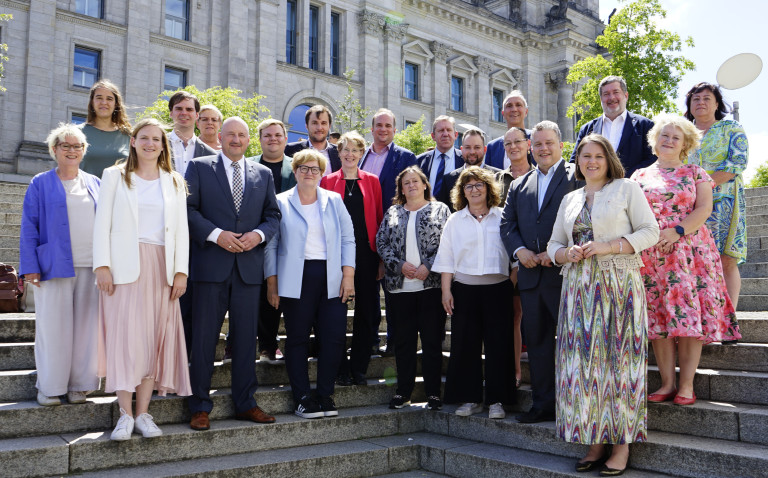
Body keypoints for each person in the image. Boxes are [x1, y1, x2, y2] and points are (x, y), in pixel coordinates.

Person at [549, 134, 659, 475]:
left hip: (619, 287)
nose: (591, 161)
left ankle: (621, 445)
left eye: (597, 156)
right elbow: (555, 242)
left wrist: (610, 246)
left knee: (620, 364)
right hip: (578, 289)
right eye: (585, 156)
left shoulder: (627, 188)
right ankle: (594, 440)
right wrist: (565, 253)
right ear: (578, 161)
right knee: (584, 368)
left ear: (608, 158)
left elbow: (650, 231)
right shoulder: (570, 198)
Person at [632, 114, 741, 409]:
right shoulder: (638, 177)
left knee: (688, 318)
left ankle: (687, 384)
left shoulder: (696, 172)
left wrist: (676, 230)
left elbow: (704, 209)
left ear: (685, 144)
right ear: (655, 140)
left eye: (675, 137)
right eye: (664, 136)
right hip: (651, 256)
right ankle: (667, 383)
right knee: (660, 319)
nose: (668, 141)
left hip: (689, 254)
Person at [93, 118, 191, 440]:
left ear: (164, 146)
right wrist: (102, 266)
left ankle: (143, 413)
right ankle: (124, 414)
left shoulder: (174, 181)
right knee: (125, 341)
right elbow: (102, 224)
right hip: (123, 268)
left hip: (161, 268)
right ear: (133, 141)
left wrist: (180, 271)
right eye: (144, 138)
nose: (151, 143)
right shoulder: (114, 176)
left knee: (152, 342)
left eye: (157, 139)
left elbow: (180, 230)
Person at [185, 117, 281, 431]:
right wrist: (215, 234)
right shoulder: (199, 167)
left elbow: (273, 215)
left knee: (244, 341)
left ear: (248, 140)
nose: (236, 140)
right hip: (211, 267)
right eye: (231, 134)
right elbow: (188, 210)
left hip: (248, 270)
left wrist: (258, 235)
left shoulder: (263, 174)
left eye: (242, 135)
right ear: (220, 137)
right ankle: (199, 406)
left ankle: (245, 403)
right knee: (203, 340)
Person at [265, 150, 355, 419]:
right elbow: (271, 244)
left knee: (334, 337)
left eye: (315, 169)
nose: (309, 173)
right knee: (297, 338)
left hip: (331, 276)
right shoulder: (280, 202)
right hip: (295, 277)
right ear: (295, 171)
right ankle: (302, 397)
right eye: (303, 168)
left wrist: (348, 276)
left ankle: (325, 394)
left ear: (322, 173)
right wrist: (272, 283)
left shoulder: (334, 200)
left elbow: (348, 239)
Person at [500, 120, 579, 424]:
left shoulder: (577, 176)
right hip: (531, 277)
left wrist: (555, 253)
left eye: (550, 143)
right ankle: (544, 404)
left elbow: (586, 218)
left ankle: (573, 403)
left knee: (572, 342)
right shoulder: (520, 184)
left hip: (566, 275)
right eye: (538, 144)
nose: (544, 149)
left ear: (561, 145)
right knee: (537, 343)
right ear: (530, 148)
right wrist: (519, 252)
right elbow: (507, 225)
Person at [19, 123, 101, 407]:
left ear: (84, 151)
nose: (71, 150)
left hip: (91, 267)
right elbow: (29, 226)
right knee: (53, 328)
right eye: (65, 145)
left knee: (86, 329)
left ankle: (79, 386)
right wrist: (30, 266)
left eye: (77, 146)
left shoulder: (95, 183)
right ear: (54, 150)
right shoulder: (40, 182)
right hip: (52, 267)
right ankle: (50, 387)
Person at [432, 166, 513, 419]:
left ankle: (497, 400)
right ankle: (470, 398)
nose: (474, 189)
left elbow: (514, 256)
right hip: (464, 290)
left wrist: (510, 283)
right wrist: (446, 291)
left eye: (479, 185)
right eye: (469, 186)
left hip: (498, 289)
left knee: (499, 346)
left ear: (489, 189)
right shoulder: (455, 221)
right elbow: (446, 257)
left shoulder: (503, 217)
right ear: (462, 192)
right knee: (465, 346)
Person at [376, 166, 449, 411]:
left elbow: (447, 242)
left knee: (431, 342)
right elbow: (381, 241)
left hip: (431, 286)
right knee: (404, 343)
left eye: (415, 181)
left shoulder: (441, 209)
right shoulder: (393, 212)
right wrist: (399, 264)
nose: (411, 185)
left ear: (425, 184)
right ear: (401, 189)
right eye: (406, 183)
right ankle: (403, 392)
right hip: (400, 288)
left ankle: (433, 394)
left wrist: (428, 265)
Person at [320, 131, 383, 386]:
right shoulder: (326, 181)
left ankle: (359, 367)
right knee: (334, 312)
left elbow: (378, 219)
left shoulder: (372, 181)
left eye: (355, 150)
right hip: (335, 255)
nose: (350, 154)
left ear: (361, 154)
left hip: (366, 255)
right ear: (339, 152)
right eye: (345, 149)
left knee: (367, 313)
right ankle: (339, 368)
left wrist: (379, 258)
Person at [684, 82, 749, 312]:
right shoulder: (682, 133)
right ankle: (705, 318)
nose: (701, 102)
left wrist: (703, 186)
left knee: (727, 259)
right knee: (697, 262)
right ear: (690, 106)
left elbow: (736, 164)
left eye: (706, 98)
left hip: (726, 204)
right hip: (690, 208)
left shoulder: (731, 128)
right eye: (696, 99)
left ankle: (729, 320)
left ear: (717, 104)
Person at [359, 108, 418, 355]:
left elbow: (412, 194)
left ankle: (395, 341)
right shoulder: (359, 156)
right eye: (379, 125)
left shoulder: (405, 157)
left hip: (394, 236)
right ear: (371, 129)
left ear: (395, 130)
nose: (383, 129)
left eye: (388, 126)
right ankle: (370, 338)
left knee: (393, 291)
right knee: (367, 291)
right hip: (363, 233)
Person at [243, 118, 297, 365]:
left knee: (282, 293)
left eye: (277, 135)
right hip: (254, 237)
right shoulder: (248, 164)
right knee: (258, 293)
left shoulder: (295, 167)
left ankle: (280, 344)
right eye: (267, 135)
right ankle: (258, 344)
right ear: (260, 139)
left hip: (288, 239)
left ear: (286, 139)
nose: (273, 139)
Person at [167, 91, 216, 357]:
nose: (184, 113)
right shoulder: (156, 143)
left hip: (196, 235)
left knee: (191, 302)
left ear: (197, 116)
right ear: (172, 113)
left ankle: (183, 359)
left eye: (189, 109)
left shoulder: (210, 154)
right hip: (161, 231)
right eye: (179, 108)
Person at [497, 126, 534, 389]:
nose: (512, 147)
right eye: (507, 143)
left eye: (517, 142)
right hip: (506, 255)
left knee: (531, 314)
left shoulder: (539, 175)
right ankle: (513, 371)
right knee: (513, 314)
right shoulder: (498, 179)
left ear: (528, 144)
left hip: (536, 256)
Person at [571, 76, 656, 178]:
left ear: (626, 95)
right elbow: (575, 162)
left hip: (631, 189)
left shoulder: (645, 126)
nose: (611, 98)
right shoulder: (587, 129)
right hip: (596, 191)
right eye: (606, 94)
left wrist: (623, 177)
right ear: (601, 99)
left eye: (616, 92)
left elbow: (653, 160)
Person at [437, 128, 500, 211]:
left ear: (485, 150)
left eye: (477, 147)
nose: (472, 152)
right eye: (467, 147)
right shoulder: (448, 179)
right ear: (461, 149)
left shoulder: (498, 176)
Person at [79, 79, 131, 177]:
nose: (104, 102)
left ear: (116, 104)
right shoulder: (78, 133)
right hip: (85, 191)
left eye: (109, 99)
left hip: (119, 191)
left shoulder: (128, 135)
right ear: (92, 102)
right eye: (99, 98)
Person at [285, 104, 341, 175]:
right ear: (306, 126)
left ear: (329, 126)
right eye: (314, 123)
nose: (319, 127)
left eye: (323, 123)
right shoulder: (291, 150)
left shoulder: (339, 153)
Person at [416, 115, 463, 201]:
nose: (445, 134)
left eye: (449, 130)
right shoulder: (419, 161)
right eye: (441, 130)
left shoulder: (465, 160)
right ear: (433, 136)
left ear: (455, 135)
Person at [485, 90, 533, 168]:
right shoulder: (493, 147)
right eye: (509, 106)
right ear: (503, 113)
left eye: (518, 105)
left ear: (526, 111)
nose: (514, 109)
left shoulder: (536, 139)